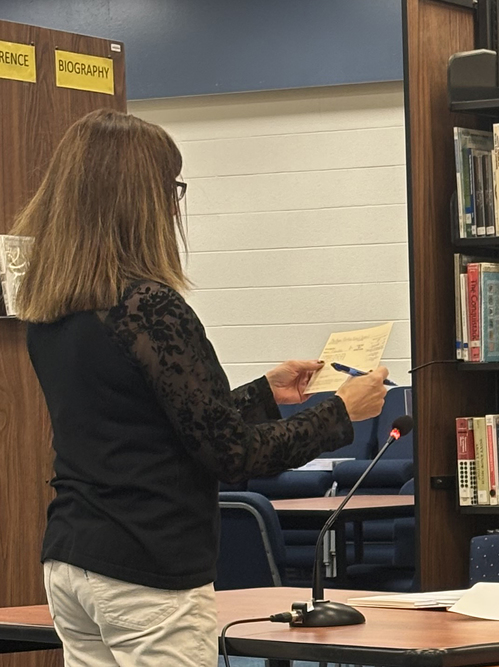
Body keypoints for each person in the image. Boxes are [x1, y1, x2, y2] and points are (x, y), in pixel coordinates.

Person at [11, 108, 389, 666]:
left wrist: (264, 392)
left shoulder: (51, 309)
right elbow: (230, 455)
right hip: (147, 568)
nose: (174, 203)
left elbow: (154, 424)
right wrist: (338, 412)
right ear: (140, 197)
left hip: (74, 558)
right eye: (171, 187)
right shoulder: (152, 308)